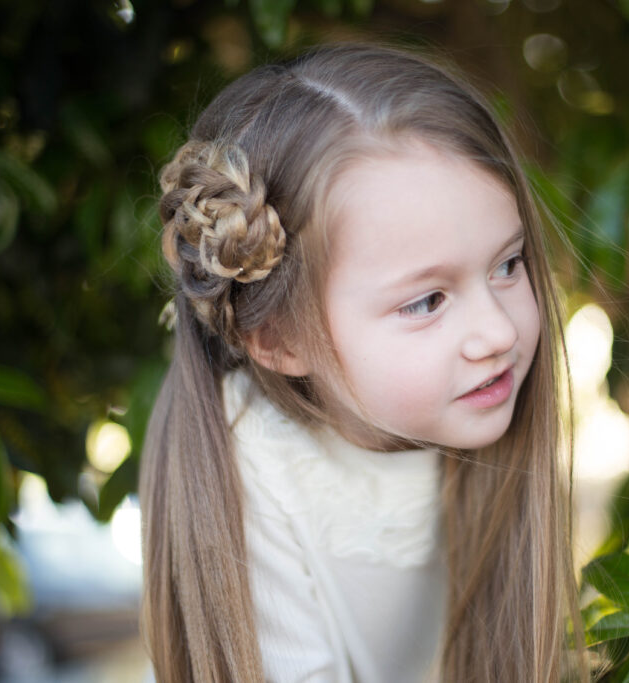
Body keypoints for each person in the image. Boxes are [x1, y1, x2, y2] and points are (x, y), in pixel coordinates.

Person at [139, 43, 584, 682]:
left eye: (508, 265)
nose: (496, 331)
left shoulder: (479, 412)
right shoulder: (249, 470)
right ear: (280, 339)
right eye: (427, 300)